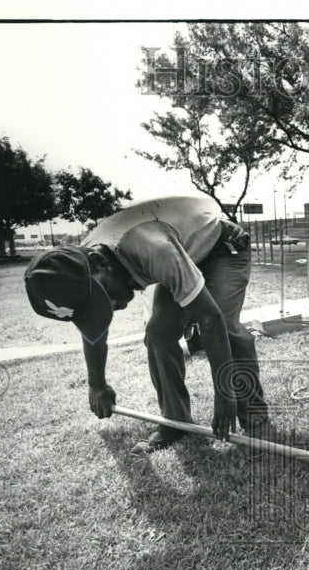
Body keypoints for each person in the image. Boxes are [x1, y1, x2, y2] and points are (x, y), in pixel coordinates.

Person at [24, 195, 275, 456]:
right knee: (158, 333)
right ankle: (176, 422)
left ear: (101, 264)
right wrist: (96, 384)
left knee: (225, 322)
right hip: (181, 251)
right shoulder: (79, 264)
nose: (108, 307)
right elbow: (93, 334)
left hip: (220, 248)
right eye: (96, 307)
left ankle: (255, 415)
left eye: (103, 298)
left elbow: (211, 320)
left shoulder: (151, 247)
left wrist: (225, 394)